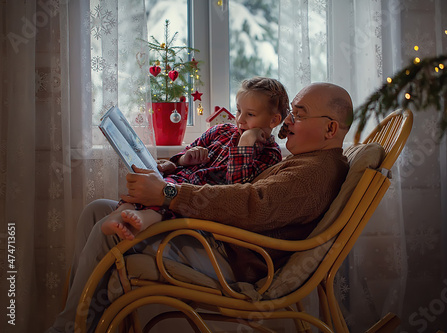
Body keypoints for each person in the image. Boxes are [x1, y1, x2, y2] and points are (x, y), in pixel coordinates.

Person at [47, 82, 353, 332]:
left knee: (111, 231)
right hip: (218, 241)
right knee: (97, 210)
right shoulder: (307, 161)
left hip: (229, 256)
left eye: (298, 116)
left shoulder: (314, 174)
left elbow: (253, 205)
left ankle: (69, 328)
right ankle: (81, 322)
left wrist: (169, 194)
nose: (287, 123)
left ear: (330, 129)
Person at [101, 76, 290, 241]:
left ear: (273, 120)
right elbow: (181, 157)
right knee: (146, 188)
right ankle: (118, 216)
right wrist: (185, 159)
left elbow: (238, 188)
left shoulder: (270, 154)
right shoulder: (221, 130)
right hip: (179, 180)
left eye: (250, 115)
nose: (240, 120)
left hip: (196, 200)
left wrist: (245, 144)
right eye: (239, 110)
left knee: (168, 205)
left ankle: (143, 221)